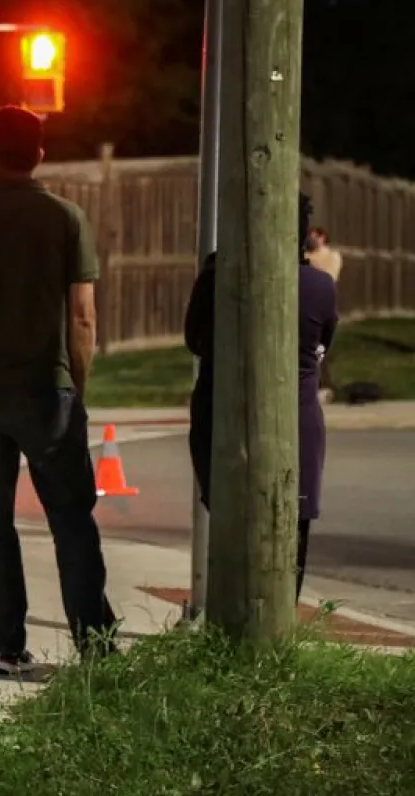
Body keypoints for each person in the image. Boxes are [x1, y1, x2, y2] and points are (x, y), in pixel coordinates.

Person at [0, 106, 118, 676]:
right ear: (38, 153)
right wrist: (75, 386)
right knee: (72, 520)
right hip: (46, 390)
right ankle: (94, 643)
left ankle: (6, 646)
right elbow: (82, 318)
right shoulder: (65, 219)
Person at [185, 193, 337, 600]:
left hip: (221, 415)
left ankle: (231, 620)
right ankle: (281, 625)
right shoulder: (320, 287)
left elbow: (193, 340)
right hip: (297, 420)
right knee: (293, 530)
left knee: (230, 522)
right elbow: (324, 343)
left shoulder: (217, 277)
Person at [305, 226, 342, 393]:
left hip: (324, 302)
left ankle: (326, 383)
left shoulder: (331, 255)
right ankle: (317, 383)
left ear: (323, 237)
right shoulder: (306, 255)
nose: (311, 239)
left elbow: (329, 276)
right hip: (308, 303)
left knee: (324, 345)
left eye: (315, 236)